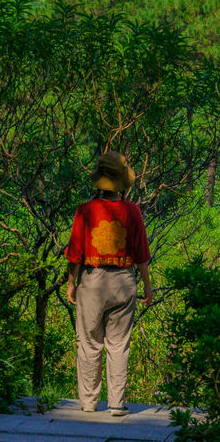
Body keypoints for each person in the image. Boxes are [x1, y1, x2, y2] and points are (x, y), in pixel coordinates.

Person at [65, 151, 153, 416]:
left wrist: (71, 283)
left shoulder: (85, 211)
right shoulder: (133, 211)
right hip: (124, 281)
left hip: (92, 281)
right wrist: (147, 285)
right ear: (121, 183)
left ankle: (89, 403)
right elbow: (141, 253)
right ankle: (116, 404)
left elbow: (75, 254)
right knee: (118, 345)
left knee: (90, 343)